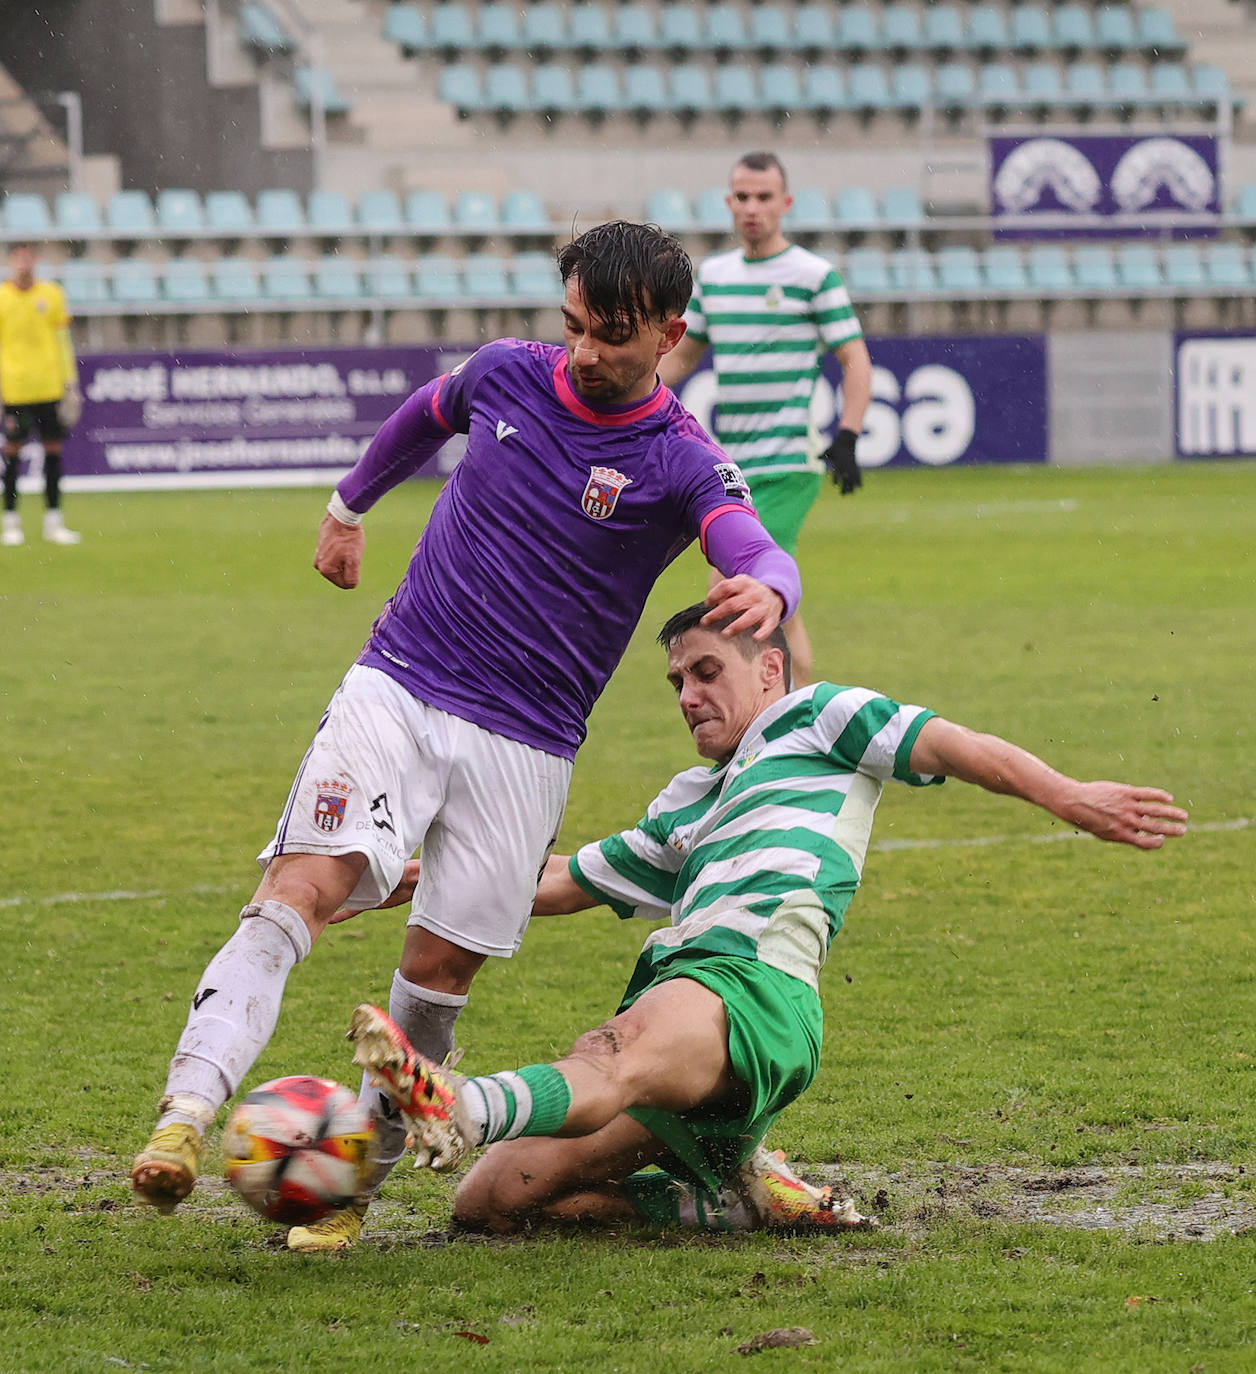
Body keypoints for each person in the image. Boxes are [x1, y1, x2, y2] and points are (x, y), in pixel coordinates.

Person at [130, 221, 803, 1250]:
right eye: (573, 325)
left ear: (669, 332)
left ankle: (349, 1188)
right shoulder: (506, 375)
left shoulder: (679, 459)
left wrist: (772, 582)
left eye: (611, 335)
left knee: (434, 982)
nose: (583, 351)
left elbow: (743, 536)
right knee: (296, 892)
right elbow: (422, 413)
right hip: (399, 682)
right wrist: (346, 504)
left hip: (526, 744)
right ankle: (183, 1118)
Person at [348, 601, 1188, 1237]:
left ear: (769, 670)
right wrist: (432, 879)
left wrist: (1070, 796)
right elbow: (564, 881)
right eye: (678, 681)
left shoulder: (817, 716)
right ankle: (728, 1199)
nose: (688, 694)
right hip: (698, 1025)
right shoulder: (687, 805)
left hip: (753, 993)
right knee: (491, 1200)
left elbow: (955, 746)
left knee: (609, 1053)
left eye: (707, 671)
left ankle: (457, 1104)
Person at [658, 152, 872, 686]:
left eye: (764, 197)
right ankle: (790, 731)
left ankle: (777, 730)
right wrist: (632, 395)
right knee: (769, 605)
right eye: (742, 197)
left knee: (734, 597)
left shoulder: (813, 276)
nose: (752, 208)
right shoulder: (713, 276)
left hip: (786, 464)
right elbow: (685, 355)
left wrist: (847, 434)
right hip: (732, 469)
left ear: (785, 203)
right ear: (729, 203)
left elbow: (855, 359)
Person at [0, 242, 82, 546]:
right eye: (19, 256)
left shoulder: (52, 294)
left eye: (29, 256)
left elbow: (62, 341)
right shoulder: (2, 297)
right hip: (16, 389)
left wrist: (70, 382)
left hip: (48, 387)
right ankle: (10, 521)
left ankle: (54, 521)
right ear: (11, 261)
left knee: (53, 453)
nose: (25, 262)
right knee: (12, 454)